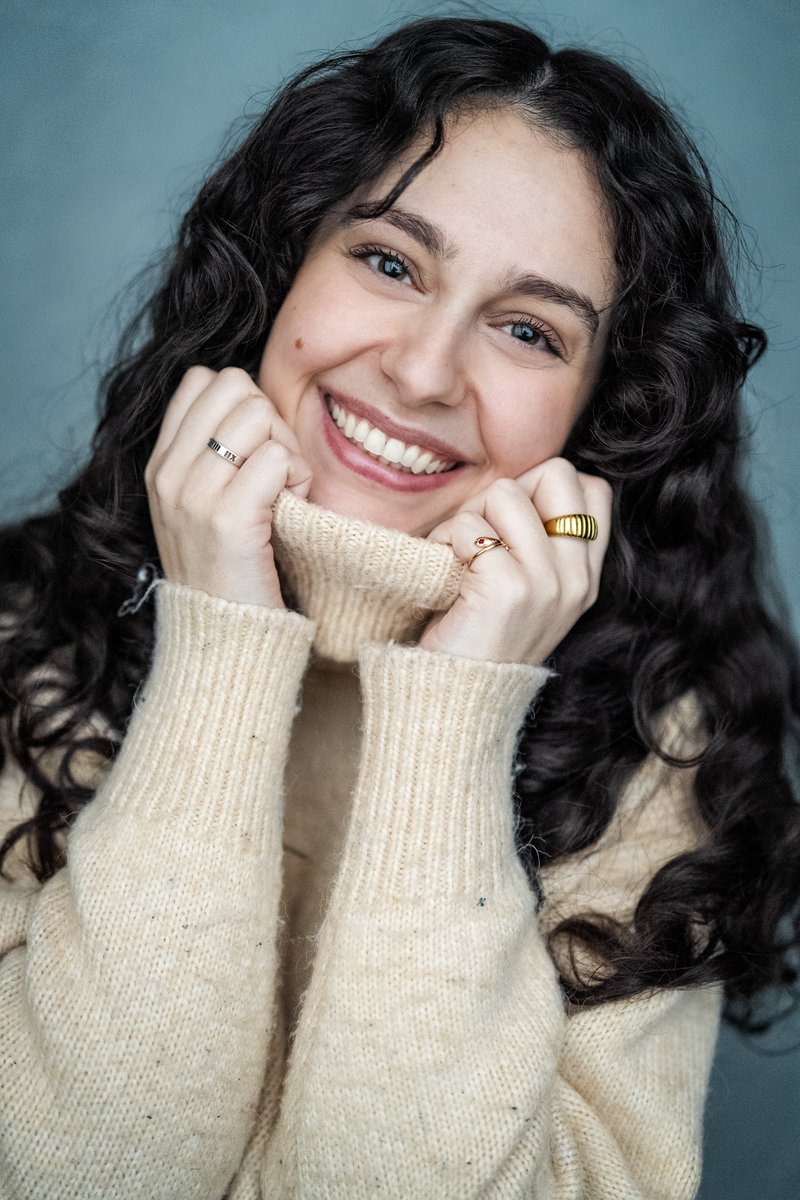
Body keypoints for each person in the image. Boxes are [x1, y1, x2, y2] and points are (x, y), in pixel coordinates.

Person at [0, 15, 798, 1199]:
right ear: (281, 270)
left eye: (528, 331)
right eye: (387, 261)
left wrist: (459, 701)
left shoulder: (661, 749)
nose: (422, 373)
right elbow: (84, 1173)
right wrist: (221, 634)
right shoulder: (21, 639)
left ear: (599, 416)